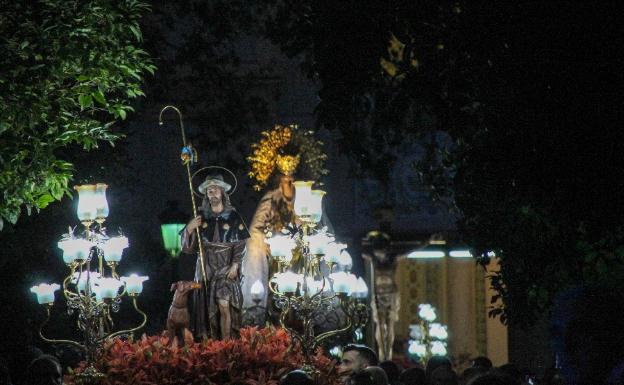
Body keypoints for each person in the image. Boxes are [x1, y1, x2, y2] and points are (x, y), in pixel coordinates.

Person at [182, 174, 249, 340]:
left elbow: (240, 244)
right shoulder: (200, 217)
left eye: (215, 190)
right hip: (206, 264)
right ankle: (208, 339)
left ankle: (227, 341)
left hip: (226, 265)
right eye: (209, 191)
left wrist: (235, 265)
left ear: (222, 192)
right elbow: (187, 248)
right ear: (206, 195)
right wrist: (189, 229)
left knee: (224, 304)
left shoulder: (233, 216)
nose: (212, 193)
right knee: (205, 302)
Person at [241, 173, 297, 320]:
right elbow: (255, 228)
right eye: (286, 180)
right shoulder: (271, 198)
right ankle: (256, 312)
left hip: (296, 254)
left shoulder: (302, 199)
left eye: (292, 180)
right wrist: (265, 243)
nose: (289, 184)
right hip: (272, 252)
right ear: (280, 180)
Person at [362, 231, 402, 361]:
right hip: (378, 294)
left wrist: (426, 242)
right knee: (379, 323)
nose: (379, 253)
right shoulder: (373, 259)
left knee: (390, 324)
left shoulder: (393, 260)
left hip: (391, 294)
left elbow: (409, 251)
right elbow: (360, 250)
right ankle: (381, 352)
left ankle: (388, 353)